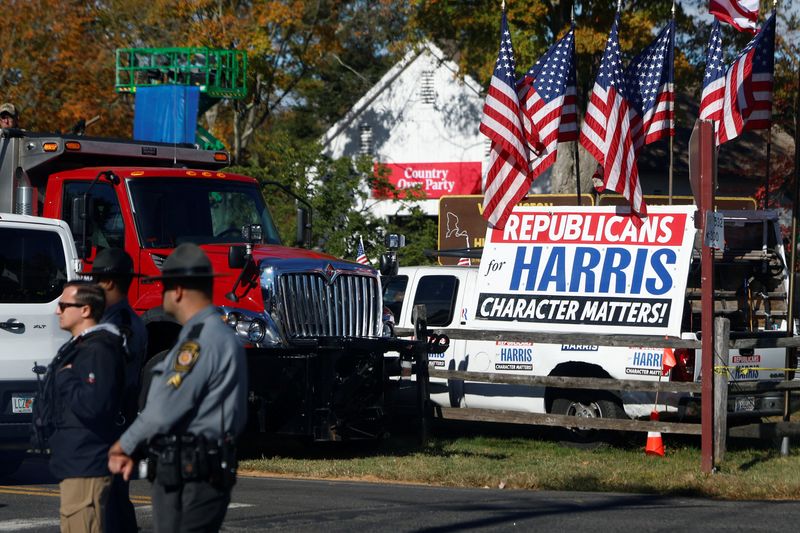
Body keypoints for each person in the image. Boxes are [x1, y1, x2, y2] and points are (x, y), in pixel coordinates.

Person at [108, 243, 247, 533]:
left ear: (179, 291)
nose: (162, 295)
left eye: (164, 287)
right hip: (206, 467)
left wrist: (125, 445)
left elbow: (163, 409)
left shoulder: (197, 342)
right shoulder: (221, 335)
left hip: (189, 474)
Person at [41, 281, 126, 533]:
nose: (58, 310)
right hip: (75, 463)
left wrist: (66, 378)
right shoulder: (82, 347)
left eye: (64, 305)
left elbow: (93, 405)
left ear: (86, 310)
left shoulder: (98, 350)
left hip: (86, 463)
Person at [90, 248, 148, 533]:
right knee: (114, 499)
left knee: (107, 503)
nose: (93, 285)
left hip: (111, 421)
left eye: (96, 279)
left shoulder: (118, 325)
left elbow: (105, 379)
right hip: (120, 419)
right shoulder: (124, 320)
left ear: (110, 283)